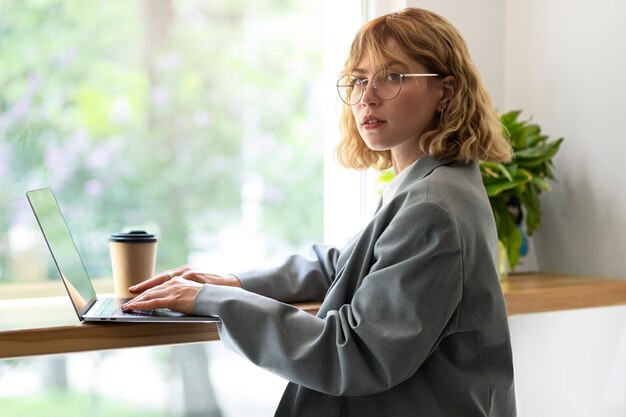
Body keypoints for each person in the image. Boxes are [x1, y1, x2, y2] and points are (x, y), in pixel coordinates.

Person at [123, 7, 517, 416]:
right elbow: (344, 264)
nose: (367, 96)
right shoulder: (430, 182)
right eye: (359, 80)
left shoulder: (433, 205)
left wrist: (216, 300)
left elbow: (354, 355)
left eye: (392, 77)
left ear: (446, 91)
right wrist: (234, 282)